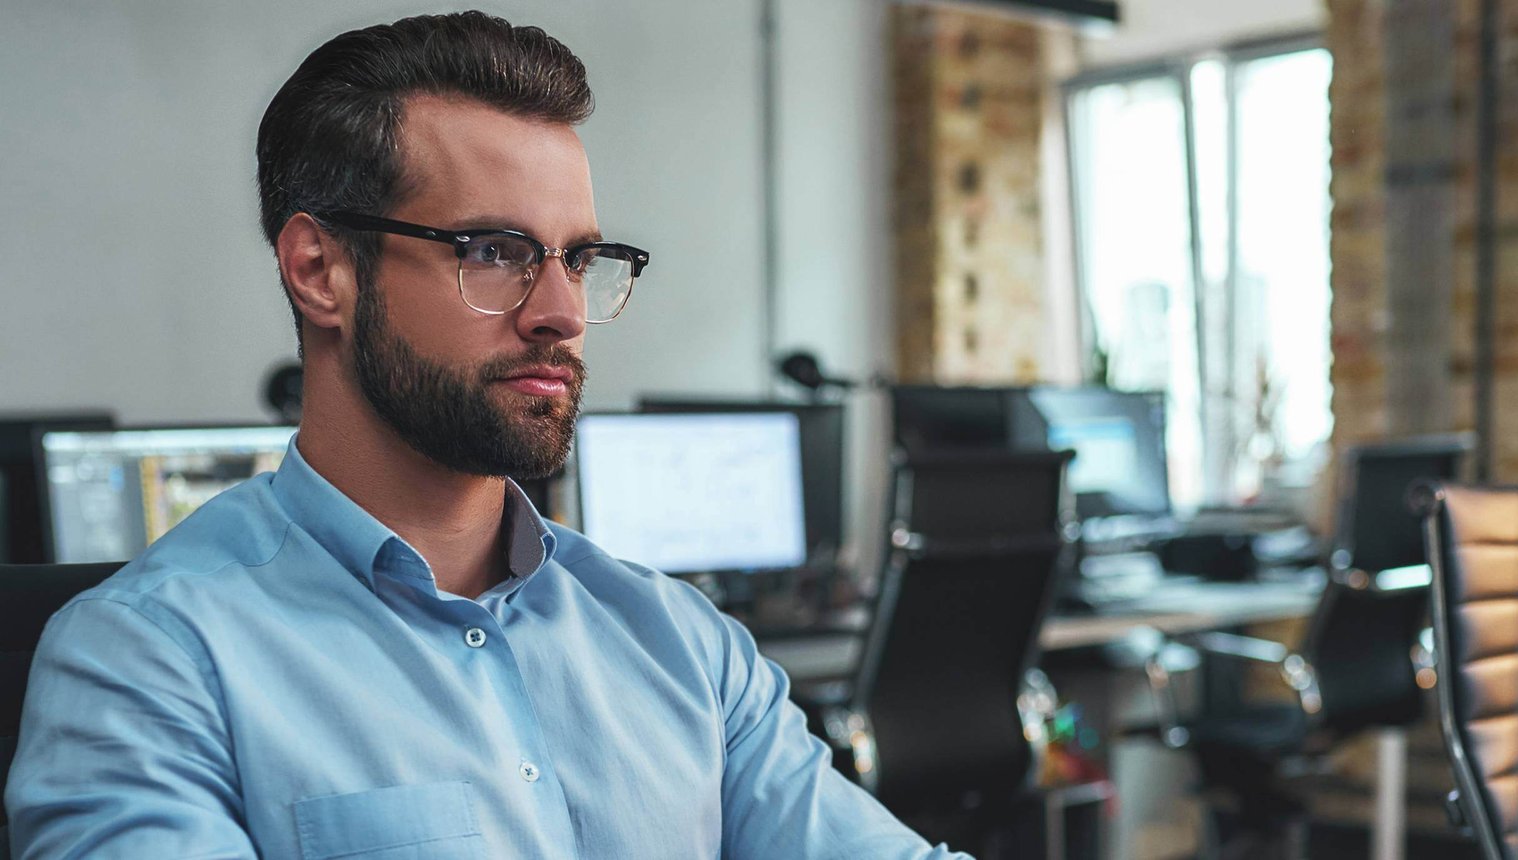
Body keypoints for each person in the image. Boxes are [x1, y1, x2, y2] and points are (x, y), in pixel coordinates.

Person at [5, 12, 966, 859]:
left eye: (581, 260)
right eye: (494, 253)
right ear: (320, 269)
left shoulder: (681, 645)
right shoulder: (147, 665)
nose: (562, 313)